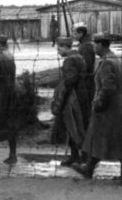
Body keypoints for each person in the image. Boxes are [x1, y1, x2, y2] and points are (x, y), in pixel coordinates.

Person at [72, 34, 122, 179]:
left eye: (95, 44)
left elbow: (107, 87)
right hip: (115, 105)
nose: (94, 47)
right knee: (105, 137)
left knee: (106, 137)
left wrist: (98, 103)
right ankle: (90, 168)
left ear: (102, 45)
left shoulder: (107, 62)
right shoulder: (114, 59)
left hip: (108, 107)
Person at [51, 37, 91, 166]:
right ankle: (79, 155)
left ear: (65, 47)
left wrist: (61, 100)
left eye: (59, 48)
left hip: (73, 96)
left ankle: (79, 156)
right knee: (79, 124)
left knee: (73, 125)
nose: (58, 51)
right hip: (82, 93)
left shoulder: (69, 60)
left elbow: (69, 81)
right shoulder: (79, 57)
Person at [73, 22, 95, 112]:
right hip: (86, 79)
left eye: (75, 33)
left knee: (85, 104)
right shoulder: (84, 44)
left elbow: (87, 64)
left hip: (86, 80)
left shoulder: (85, 46)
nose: (73, 35)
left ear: (81, 33)